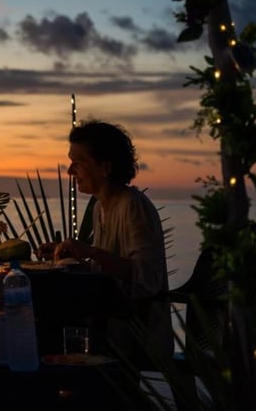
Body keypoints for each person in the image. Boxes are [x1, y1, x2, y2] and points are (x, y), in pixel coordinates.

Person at [55, 119, 173, 366]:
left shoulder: (132, 205)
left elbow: (147, 278)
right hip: (110, 321)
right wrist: (74, 258)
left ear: (105, 167)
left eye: (78, 163)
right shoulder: (101, 207)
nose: (70, 171)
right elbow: (107, 275)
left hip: (137, 331)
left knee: (52, 332)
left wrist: (92, 252)